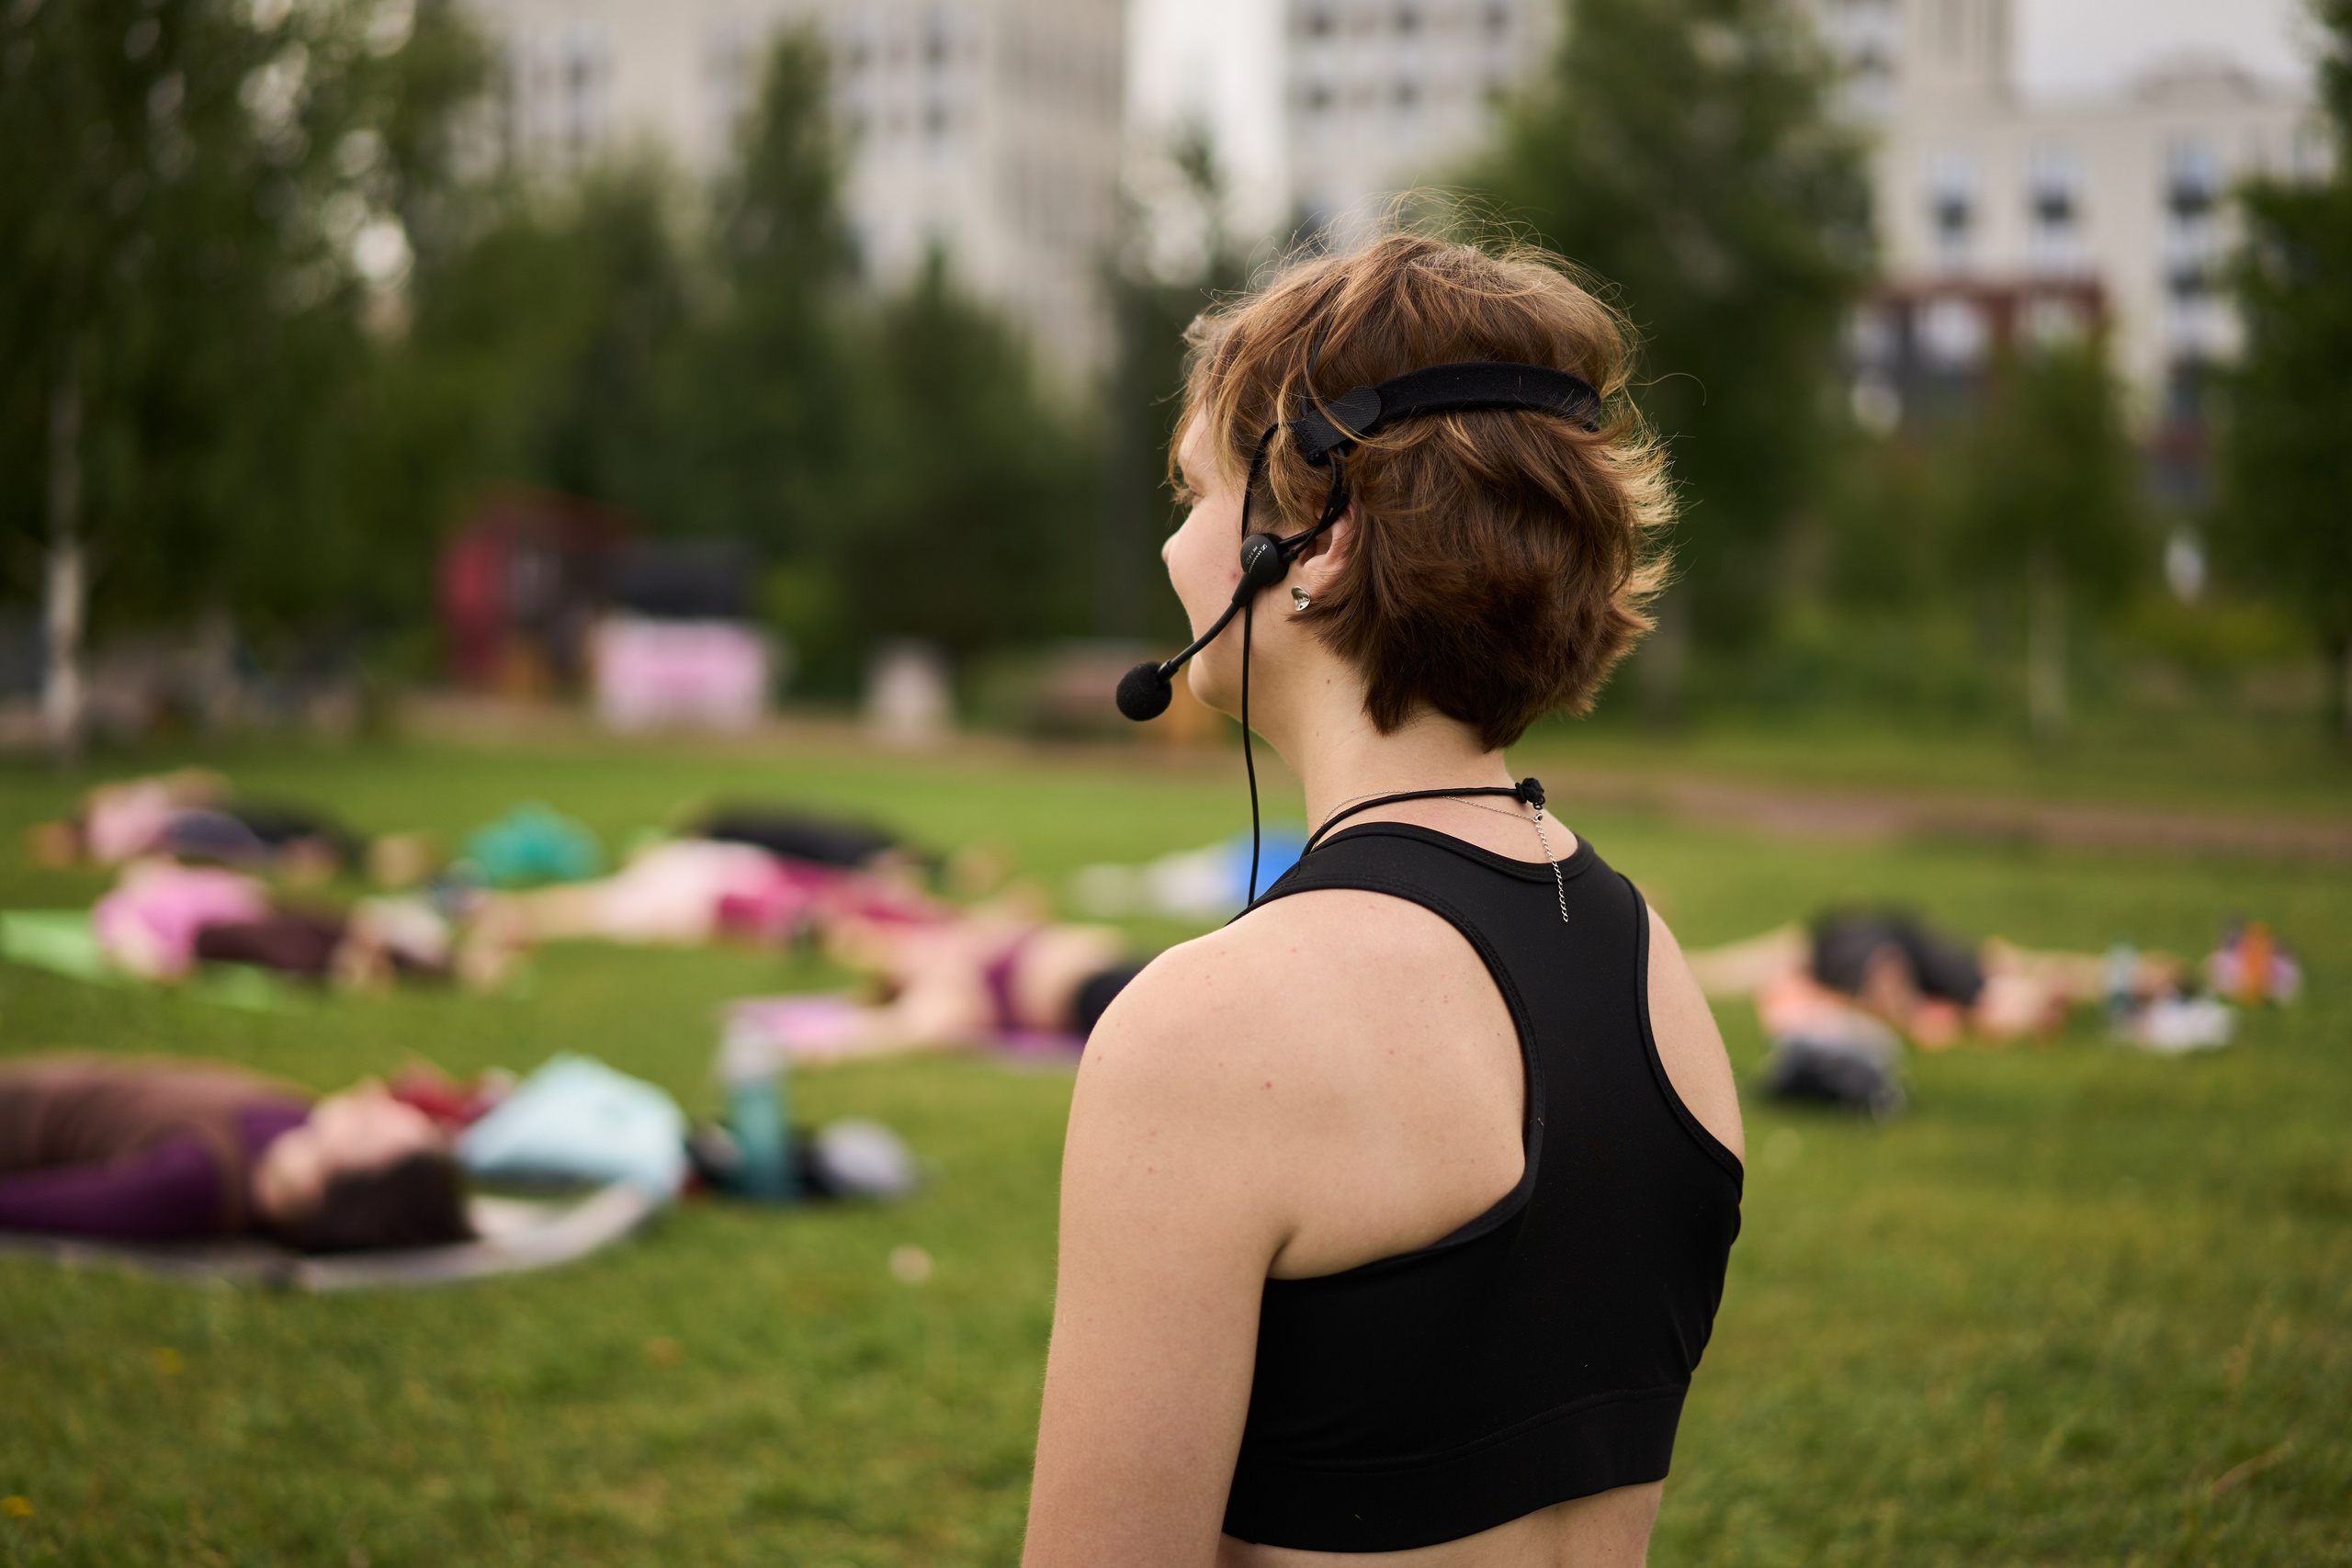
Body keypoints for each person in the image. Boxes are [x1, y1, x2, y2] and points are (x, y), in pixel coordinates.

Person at [1022, 233, 1745, 1566]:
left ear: (1317, 543)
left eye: (1195, 493)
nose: (1177, 543)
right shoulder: (1660, 978)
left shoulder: (1202, 1033)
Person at [0, 1056, 472, 1252]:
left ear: (320, 1189)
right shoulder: (298, 1119)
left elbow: (25, 1205)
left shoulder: (194, 1182)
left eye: (367, 1128)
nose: (371, 1098)